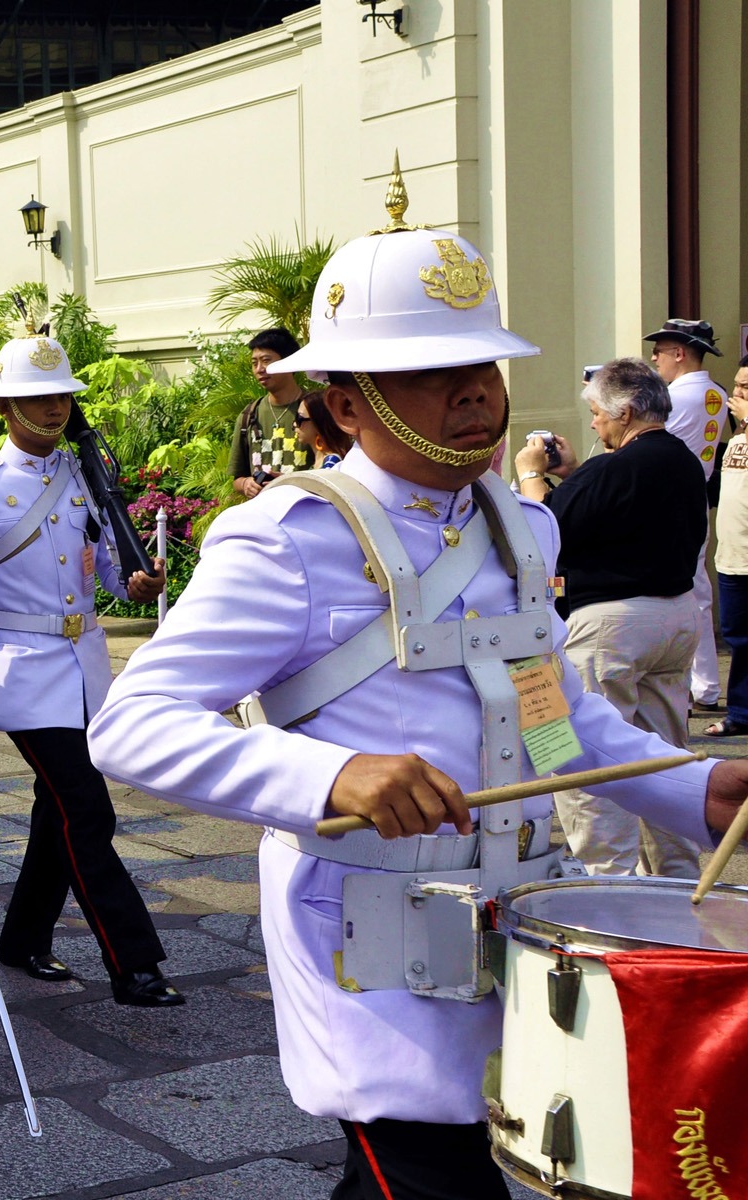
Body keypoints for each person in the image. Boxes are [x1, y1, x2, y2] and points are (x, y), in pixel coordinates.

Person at [89, 166, 748, 1199]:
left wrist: (692, 789)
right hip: (367, 943)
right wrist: (333, 777)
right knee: (426, 1174)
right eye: (432, 368)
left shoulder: (523, 525)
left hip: (512, 921)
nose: (476, 389)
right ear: (347, 404)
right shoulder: (284, 541)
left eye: (480, 359)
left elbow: (555, 731)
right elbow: (132, 726)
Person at [0, 330, 180, 1004]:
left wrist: (134, 581)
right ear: (5, 408)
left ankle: (21, 938)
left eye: (61, 396)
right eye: (38, 397)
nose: (55, 407)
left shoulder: (81, 476)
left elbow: (105, 566)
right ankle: (133, 964)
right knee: (87, 811)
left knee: (59, 808)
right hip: (24, 668)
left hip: (85, 665)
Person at [513, 359, 708, 876]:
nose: (595, 424)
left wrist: (532, 475)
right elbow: (618, 510)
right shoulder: (681, 460)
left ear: (624, 413)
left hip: (612, 625)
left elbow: (545, 532)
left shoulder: (617, 467)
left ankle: (607, 876)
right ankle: (678, 876)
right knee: (664, 754)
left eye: (598, 414)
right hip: (675, 617)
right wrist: (576, 474)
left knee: (588, 751)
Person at [646, 317, 727, 709]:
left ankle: (691, 684)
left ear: (679, 353)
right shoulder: (716, 393)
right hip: (696, 494)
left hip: (666, 499)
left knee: (671, 593)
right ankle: (706, 685)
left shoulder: (675, 397)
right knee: (697, 592)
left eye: (659, 351)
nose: (654, 358)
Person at [229, 327, 316, 498]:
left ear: (289, 361)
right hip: (264, 515)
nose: (259, 369)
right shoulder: (249, 415)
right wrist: (246, 484)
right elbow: (237, 477)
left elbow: (335, 466)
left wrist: (292, 483)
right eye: (254, 363)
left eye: (266, 360)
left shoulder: (315, 409)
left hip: (306, 511)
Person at [712, 355, 748, 738]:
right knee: (739, 639)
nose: (736, 395)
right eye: (736, 387)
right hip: (732, 559)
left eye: (746, 389)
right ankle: (741, 712)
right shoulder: (737, 439)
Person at [296, 393, 353, 468]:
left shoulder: (331, 463)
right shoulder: (323, 462)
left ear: (319, 423)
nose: (294, 424)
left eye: (299, 418)